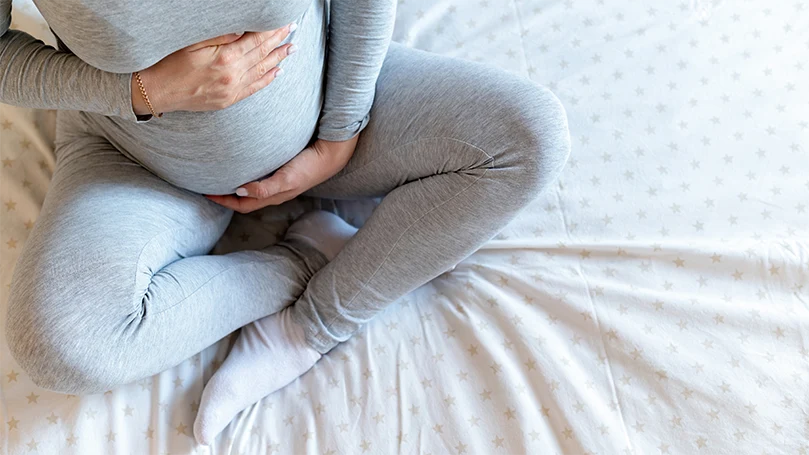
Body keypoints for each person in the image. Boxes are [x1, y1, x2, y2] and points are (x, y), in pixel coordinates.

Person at [1, 0, 571, 446]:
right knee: (59, 345)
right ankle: (303, 260)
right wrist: (147, 91)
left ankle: (308, 328)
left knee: (529, 138)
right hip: (136, 159)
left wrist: (339, 136)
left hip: (322, 107)